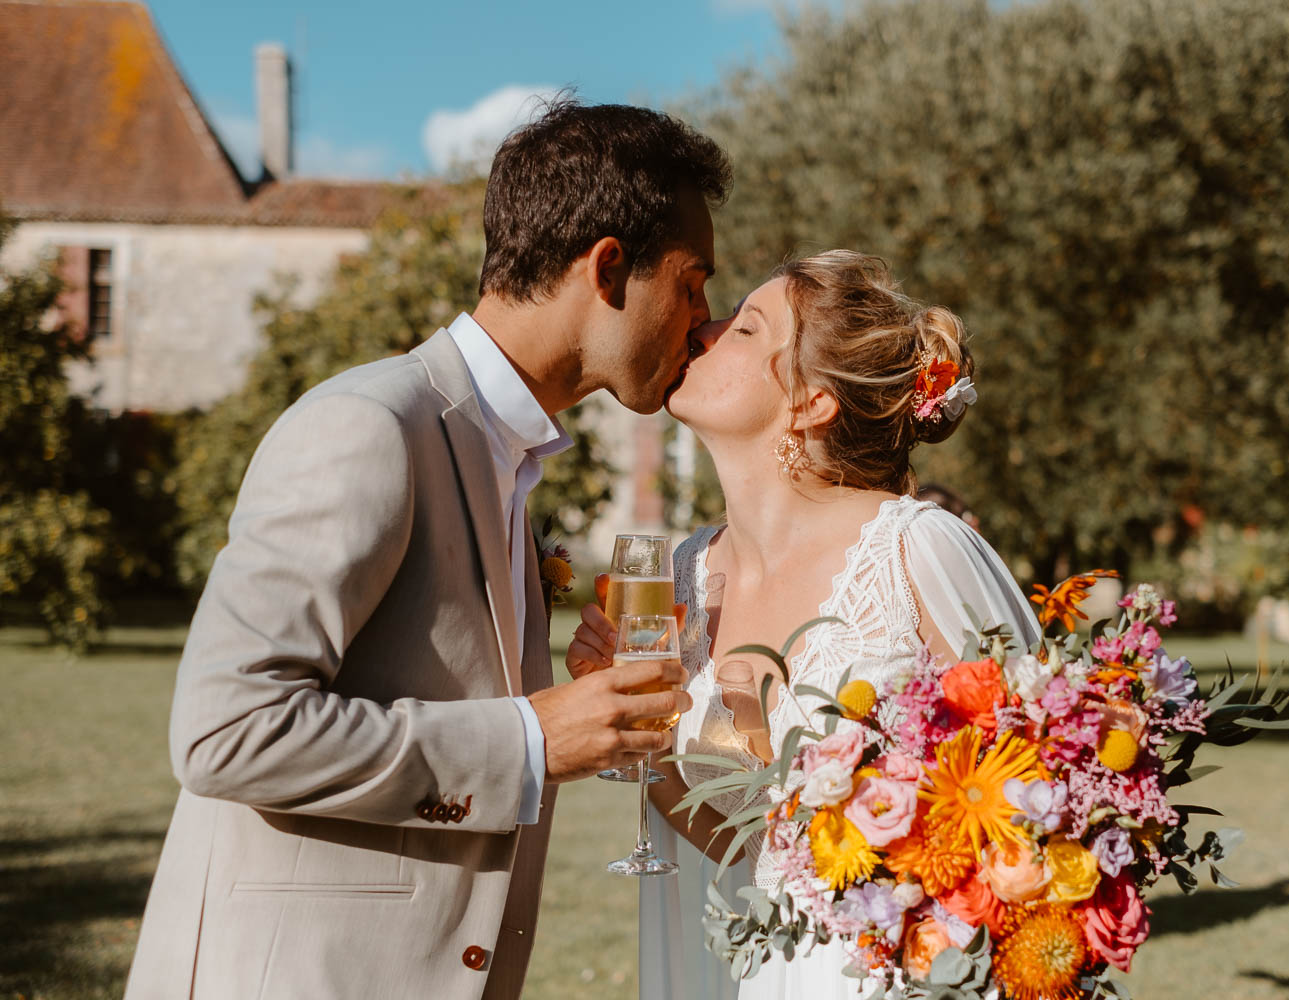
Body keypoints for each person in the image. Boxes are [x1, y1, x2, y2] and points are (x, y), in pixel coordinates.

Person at [123, 100, 727, 1000]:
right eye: (692, 282)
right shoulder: (370, 427)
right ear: (608, 269)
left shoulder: (504, 457)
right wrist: (530, 736)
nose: (703, 318)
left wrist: (572, 717)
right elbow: (225, 730)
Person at [566, 250, 1041, 999]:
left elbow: (1039, 800)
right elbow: (742, 852)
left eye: (745, 327)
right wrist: (630, 723)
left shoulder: (915, 549)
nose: (702, 327)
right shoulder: (683, 574)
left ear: (811, 401)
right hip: (751, 972)